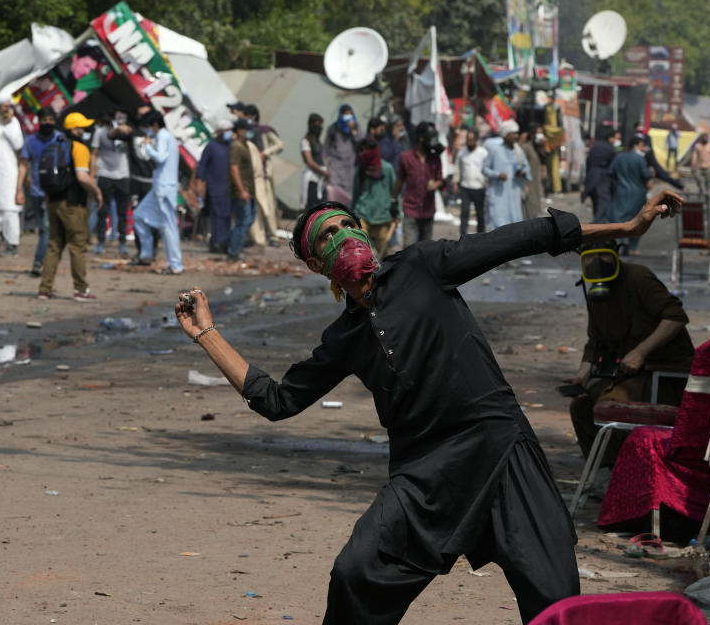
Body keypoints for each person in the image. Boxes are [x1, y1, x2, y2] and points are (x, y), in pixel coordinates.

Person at [173, 188, 683, 625]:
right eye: (327, 238)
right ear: (314, 264)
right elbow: (277, 400)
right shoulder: (343, 337)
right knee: (356, 573)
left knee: (552, 592)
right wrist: (207, 336)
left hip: (499, 447)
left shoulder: (421, 266)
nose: (344, 238)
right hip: (424, 473)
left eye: (347, 226)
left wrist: (628, 224)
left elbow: (524, 237)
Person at [568, 242, 694, 465]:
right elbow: (595, 341)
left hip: (662, 371)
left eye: (603, 255)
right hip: (627, 374)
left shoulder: (638, 277)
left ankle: (627, 474)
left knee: (609, 406)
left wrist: (641, 352)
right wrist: (582, 377)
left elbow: (676, 317)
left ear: (615, 255)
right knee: (581, 406)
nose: (596, 262)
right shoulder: (596, 293)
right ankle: (602, 470)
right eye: (589, 256)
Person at [37, 111, 103, 301]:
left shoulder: (54, 144)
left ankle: (45, 288)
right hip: (73, 204)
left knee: (54, 245)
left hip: (53, 201)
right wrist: (96, 191)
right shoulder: (79, 147)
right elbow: (82, 177)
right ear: (74, 129)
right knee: (77, 245)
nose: (84, 131)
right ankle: (81, 290)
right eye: (82, 127)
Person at [132, 110, 183, 274]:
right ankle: (146, 255)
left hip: (164, 187)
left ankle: (175, 265)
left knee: (168, 227)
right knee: (138, 216)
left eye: (148, 127)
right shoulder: (168, 137)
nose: (147, 131)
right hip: (160, 186)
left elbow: (160, 157)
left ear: (154, 125)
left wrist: (147, 147)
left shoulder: (162, 135)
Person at [20, 106, 64, 274]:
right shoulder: (31, 141)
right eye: (44, 120)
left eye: (51, 120)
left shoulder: (60, 139)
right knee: (43, 229)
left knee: (46, 228)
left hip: (54, 192)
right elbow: (24, 165)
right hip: (36, 191)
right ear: (39, 122)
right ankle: (48, 260)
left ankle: (39, 263)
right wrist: (19, 189)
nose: (48, 123)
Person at [0, 92, 26, 256]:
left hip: (9, 173)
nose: (7, 110)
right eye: (4, 107)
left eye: (9, 107)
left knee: (10, 210)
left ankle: (12, 243)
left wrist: (7, 123)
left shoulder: (14, 122)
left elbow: (18, 144)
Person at [393, 121, 444, 247]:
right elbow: (399, 180)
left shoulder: (435, 159)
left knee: (425, 251)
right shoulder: (406, 158)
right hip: (411, 209)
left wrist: (436, 185)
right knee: (408, 251)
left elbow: (441, 180)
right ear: (421, 138)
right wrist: (393, 200)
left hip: (428, 210)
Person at [90, 109, 133, 257]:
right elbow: (94, 152)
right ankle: (101, 241)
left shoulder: (128, 131)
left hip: (123, 174)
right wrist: (92, 171)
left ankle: (122, 242)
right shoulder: (101, 132)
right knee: (102, 210)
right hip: (104, 173)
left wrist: (127, 131)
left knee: (122, 212)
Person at [351, 137, 398, 259]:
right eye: (363, 150)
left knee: (385, 256)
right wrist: (351, 214)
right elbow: (356, 193)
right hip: (363, 215)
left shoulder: (387, 169)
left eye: (367, 150)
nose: (365, 153)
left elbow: (395, 192)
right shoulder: (361, 169)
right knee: (359, 251)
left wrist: (397, 214)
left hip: (382, 217)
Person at [608, 135, 653, 256]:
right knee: (637, 220)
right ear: (636, 146)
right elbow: (647, 176)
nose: (643, 149)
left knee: (618, 218)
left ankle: (623, 240)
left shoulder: (619, 157)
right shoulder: (640, 159)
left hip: (621, 193)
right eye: (642, 146)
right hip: (638, 194)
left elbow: (610, 172)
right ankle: (632, 246)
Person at [246, 104, 283, 247]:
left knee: (267, 206)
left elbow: (279, 145)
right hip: (252, 174)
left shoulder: (264, 131)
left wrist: (265, 153)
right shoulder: (247, 131)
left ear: (253, 116)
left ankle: (273, 235)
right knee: (256, 207)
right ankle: (258, 236)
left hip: (264, 173)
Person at [482, 120, 529, 230]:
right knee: (499, 225)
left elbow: (526, 167)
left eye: (517, 133)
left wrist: (523, 172)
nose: (516, 136)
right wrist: (497, 175)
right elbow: (484, 169)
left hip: (514, 194)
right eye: (513, 133)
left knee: (515, 225)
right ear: (505, 135)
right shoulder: (495, 150)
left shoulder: (518, 151)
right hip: (498, 195)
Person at [195, 119, 232, 253]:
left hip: (228, 187)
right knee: (216, 216)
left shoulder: (230, 145)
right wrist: (200, 185)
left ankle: (224, 242)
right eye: (227, 131)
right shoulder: (211, 146)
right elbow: (202, 167)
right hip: (214, 187)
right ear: (219, 132)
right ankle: (216, 242)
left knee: (226, 215)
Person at [227, 118, 257, 262]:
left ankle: (232, 243)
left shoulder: (244, 145)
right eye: (246, 129)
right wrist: (241, 190)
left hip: (249, 190)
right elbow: (234, 169)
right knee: (243, 221)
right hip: (242, 190)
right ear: (239, 130)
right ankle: (233, 251)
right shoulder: (236, 147)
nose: (248, 132)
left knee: (249, 218)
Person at [452, 129, 488, 236]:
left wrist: (487, 182)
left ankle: (481, 236)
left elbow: (487, 168)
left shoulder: (483, 153)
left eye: (472, 140)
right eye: (468, 140)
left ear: (476, 140)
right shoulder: (461, 153)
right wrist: (455, 182)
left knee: (480, 213)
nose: (470, 142)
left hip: (479, 187)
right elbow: (457, 168)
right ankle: (463, 236)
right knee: (464, 212)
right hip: (465, 187)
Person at [324, 104, 363, 199]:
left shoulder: (357, 128)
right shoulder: (334, 128)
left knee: (346, 197)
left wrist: (353, 131)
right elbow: (326, 148)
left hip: (349, 168)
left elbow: (361, 144)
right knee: (332, 194)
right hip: (335, 166)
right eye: (346, 114)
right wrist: (326, 167)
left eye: (350, 114)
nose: (349, 116)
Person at [582, 127, 619, 223]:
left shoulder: (595, 146)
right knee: (604, 204)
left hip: (591, 178)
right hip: (601, 179)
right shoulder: (610, 148)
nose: (616, 141)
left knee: (596, 203)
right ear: (610, 138)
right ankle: (597, 226)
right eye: (615, 138)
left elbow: (588, 162)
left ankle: (597, 223)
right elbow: (614, 166)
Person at [301, 113, 329, 209]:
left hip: (321, 179)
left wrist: (326, 173)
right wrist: (323, 171)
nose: (320, 127)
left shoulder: (319, 143)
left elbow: (323, 158)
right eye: (317, 124)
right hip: (312, 178)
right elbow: (309, 161)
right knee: (311, 207)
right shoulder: (306, 141)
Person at [520, 123, 545, 220]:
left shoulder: (537, 148)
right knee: (528, 210)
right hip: (528, 184)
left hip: (536, 184)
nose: (540, 136)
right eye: (538, 133)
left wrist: (544, 145)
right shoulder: (526, 147)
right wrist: (524, 184)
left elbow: (545, 157)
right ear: (532, 134)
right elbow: (521, 164)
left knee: (535, 208)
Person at [691, 131, 710, 201]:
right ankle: (701, 189)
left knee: (709, 183)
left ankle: (708, 196)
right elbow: (694, 156)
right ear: (701, 138)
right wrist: (693, 165)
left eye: (706, 137)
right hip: (699, 166)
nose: (705, 139)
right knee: (697, 177)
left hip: (708, 166)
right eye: (703, 137)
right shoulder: (698, 146)